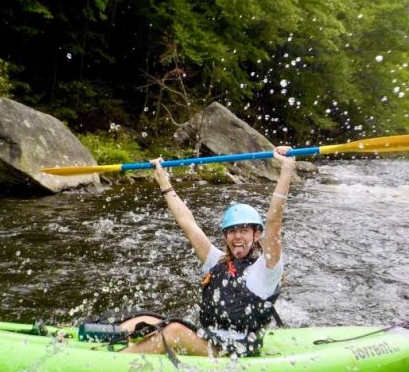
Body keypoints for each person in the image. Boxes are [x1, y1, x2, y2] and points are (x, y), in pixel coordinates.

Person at [118, 145, 296, 357]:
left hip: (237, 349)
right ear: (226, 236)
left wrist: (286, 171)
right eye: (231, 231)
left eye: (244, 231)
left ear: (256, 236)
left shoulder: (267, 270)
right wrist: (163, 181)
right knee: (141, 320)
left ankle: (114, 362)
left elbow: (274, 221)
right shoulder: (217, 261)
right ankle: (99, 340)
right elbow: (187, 223)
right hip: (210, 338)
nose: (237, 237)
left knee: (174, 330)